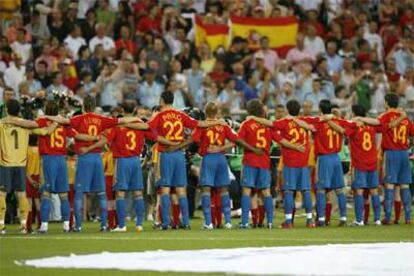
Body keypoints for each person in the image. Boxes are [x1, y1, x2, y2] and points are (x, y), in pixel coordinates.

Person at [45, 95, 148, 232]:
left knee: (80, 193)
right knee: (102, 193)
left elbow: (63, 120)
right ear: (94, 106)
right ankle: (105, 224)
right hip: (98, 159)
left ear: (83, 106)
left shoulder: (78, 119)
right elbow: (121, 120)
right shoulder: (102, 119)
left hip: (84, 158)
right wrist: (137, 119)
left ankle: (79, 225)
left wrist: (47, 117)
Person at [148, 91, 224, 230]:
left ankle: (165, 223)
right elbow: (198, 124)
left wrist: (162, 140)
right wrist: (217, 121)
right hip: (179, 154)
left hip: (166, 153)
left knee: (164, 190)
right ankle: (186, 223)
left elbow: (148, 129)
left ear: (161, 101)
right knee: (181, 190)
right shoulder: (181, 115)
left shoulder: (159, 115)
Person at [104, 101, 178, 232]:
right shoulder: (140, 125)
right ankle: (139, 224)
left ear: (122, 109)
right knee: (138, 193)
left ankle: (121, 225)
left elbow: (107, 141)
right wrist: (172, 142)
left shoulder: (118, 125)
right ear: (134, 110)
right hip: (135, 161)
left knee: (120, 194)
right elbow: (156, 137)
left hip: (122, 161)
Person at [237, 99, 305, 229]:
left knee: (247, 192)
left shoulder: (247, 123)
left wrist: (252, 148)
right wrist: (296, 147)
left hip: (250, 160)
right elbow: (281, 140)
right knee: (266, 192)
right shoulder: (268, 125)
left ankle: (245, 222)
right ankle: (269, 222)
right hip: (264, 162)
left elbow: (238, 140)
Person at [0, 100, 56, 234]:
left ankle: (1, 226)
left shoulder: (2, 124)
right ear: (19, 110)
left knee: (2, 194)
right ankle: (24, 225)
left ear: (7, 109)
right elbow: (46, 132)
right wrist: (56, 122)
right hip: (20, 164)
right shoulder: (25, 124)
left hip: (5, 163)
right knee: (22, 194)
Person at [328, 104, 385, 226]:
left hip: (360, 163)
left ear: (354, 113)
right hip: (372, 162)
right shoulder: (371, 126)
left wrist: (331, 122)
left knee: (359, 191)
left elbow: (343, 131)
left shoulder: (354, 126)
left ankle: (359, 220)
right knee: (374, 191)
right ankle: (377, 219)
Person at [187, 102, 238, 229]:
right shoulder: (223, 125)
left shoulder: (203, 126)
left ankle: (208, 222)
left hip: (208, 158)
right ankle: (228, 222)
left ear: (205, 111)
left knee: (206, 190)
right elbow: (235, 140)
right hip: (221, 158)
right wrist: (221, 147)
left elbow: (193, 140)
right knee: (224, 190)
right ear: (217, 112)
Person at [374, 94, 412, 225]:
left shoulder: (385, 116)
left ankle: (388, 217)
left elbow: (379, 128)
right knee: (404, 185)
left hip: (391, 153)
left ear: (386, 103)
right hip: (404, 153)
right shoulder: (406, 119)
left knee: (389, 185)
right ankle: (408, 217)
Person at [311, 100, 349, 226]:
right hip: (336, 158)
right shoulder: (337, 121)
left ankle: (321, 219)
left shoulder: (319, 123)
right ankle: (343, 218)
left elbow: (306, 122)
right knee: (339, 190)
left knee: (321, 190)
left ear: (320, 109)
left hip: (324, 158)